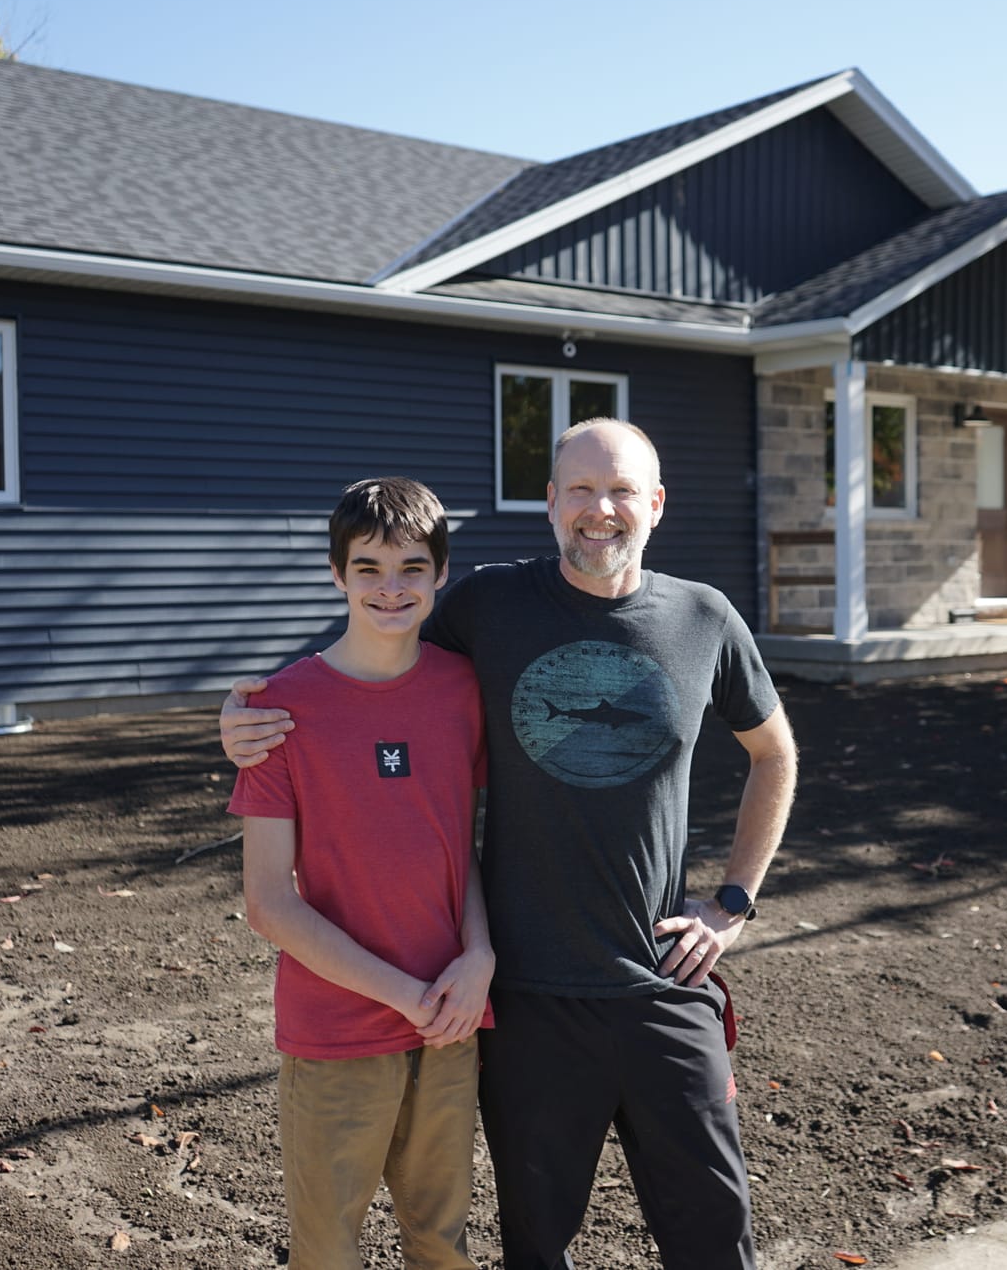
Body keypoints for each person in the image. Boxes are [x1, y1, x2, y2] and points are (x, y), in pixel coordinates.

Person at [221, 418, 798, 1270]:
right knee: (532, 1245)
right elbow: (373, 645)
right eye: (581, 489)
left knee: (717, 1237)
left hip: (662, 983)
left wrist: (735, 901)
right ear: (551, 502)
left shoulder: (704, 616)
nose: (600, 509)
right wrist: (248, 711)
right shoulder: (488, 605)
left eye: (621, 490)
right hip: (524, 1000)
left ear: (656, 504)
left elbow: (775, 753)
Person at [229, 475, 493, 1270]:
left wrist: (479, 955)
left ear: (441, 574)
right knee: (327, 1252)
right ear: (336, 573)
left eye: (412, 567)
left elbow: (458, 843)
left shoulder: (463, 689)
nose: (391, 587)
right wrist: (403, 994)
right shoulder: (278, 708)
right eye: (368, 567)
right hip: (338, 1031)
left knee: (444, 1245)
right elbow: (268, 902)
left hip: (451, 1018)